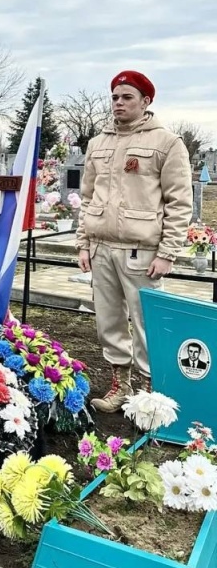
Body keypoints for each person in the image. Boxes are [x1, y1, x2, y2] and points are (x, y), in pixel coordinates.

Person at [77, 70, 192, 412]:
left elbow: (179, 201)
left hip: (141, 252)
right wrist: (83, 243)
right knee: (109, 322)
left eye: (127, 97)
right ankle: (120, 385)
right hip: (101, 249)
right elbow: (87, 197)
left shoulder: (167, 143)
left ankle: (148, 393)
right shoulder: (98, 144)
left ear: (146, 101)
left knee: (145, 325)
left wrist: (168, 252)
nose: (119, 103)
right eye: (115, 97)